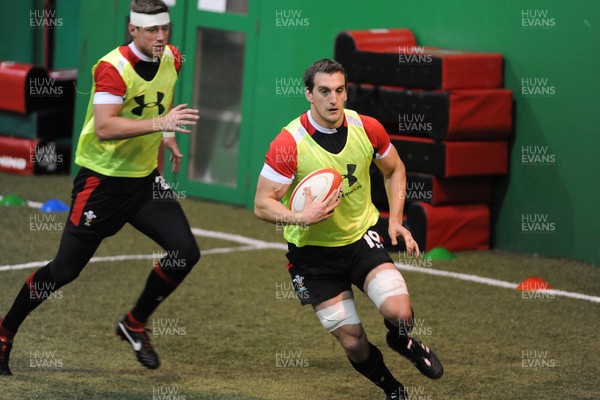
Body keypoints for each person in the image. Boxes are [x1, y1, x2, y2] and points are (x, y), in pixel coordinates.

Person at [0, 0, 200, 375]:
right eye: (152, 30)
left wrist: (168, 132)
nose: (161, 37)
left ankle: (134, 323)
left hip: (143, 182)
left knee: (185, 252)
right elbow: (106, 127)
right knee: (63, 271)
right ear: (133, 30)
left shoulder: (173, 57)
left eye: (165, 29)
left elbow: (162, 99)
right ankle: (4, 331)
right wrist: (161, 123)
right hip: (102, 183)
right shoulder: (113, 68)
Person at [254, 59, 443, 399]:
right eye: (324, 91)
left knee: (399, 313)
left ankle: (402, 340)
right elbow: (262, 203)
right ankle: (393, 389)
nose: (333, 100)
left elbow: (395, 169)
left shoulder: (366, 128)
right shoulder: (288, 143)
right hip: (313, 259)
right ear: (308, 94)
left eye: (339, 91)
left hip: (360, 240)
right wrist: (301, 217)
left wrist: (396, 220)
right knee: (353, 340)